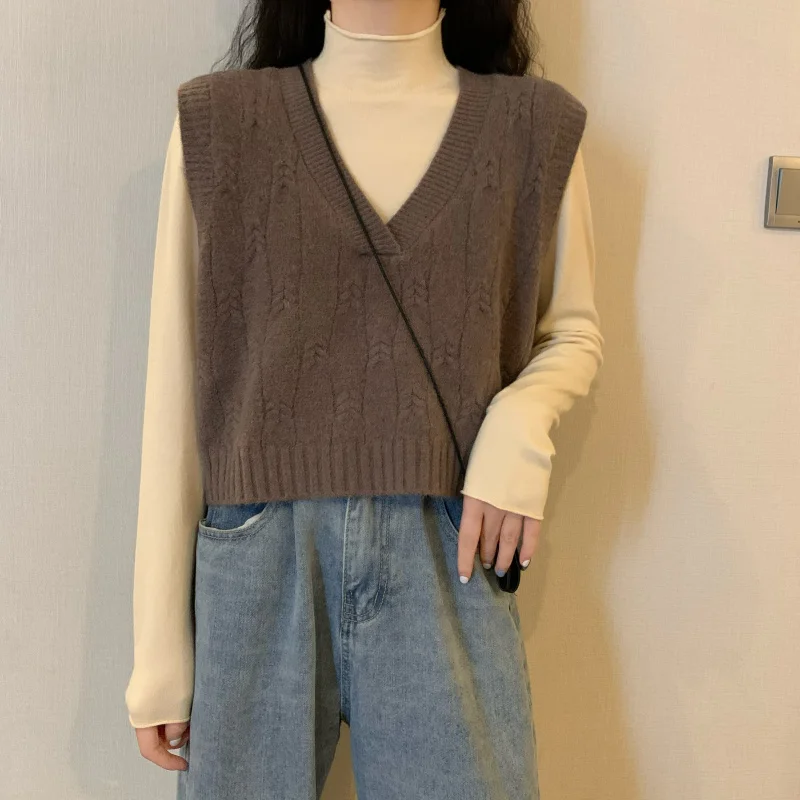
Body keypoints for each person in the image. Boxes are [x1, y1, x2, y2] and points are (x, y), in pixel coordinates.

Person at [126, 1, 603, 797]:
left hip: (449, 552)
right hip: (259, 557)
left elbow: (573, 329)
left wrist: (522, 418)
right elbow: (176, 389)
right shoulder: (221, 124)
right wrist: (159, 652)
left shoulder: (533, 128)